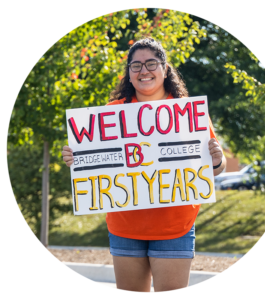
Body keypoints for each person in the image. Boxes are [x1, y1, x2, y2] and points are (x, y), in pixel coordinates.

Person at [62, 38, 226, 293]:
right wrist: (78, 159)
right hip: (125, 224)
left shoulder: (187, 113)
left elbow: (215, 167)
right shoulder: (110, 113)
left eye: (151, 63)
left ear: (165, 68)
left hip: (175, 225)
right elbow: (98, 164)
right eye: (135, 65)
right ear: (128, 72)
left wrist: (217, 160)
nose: (143, 71)